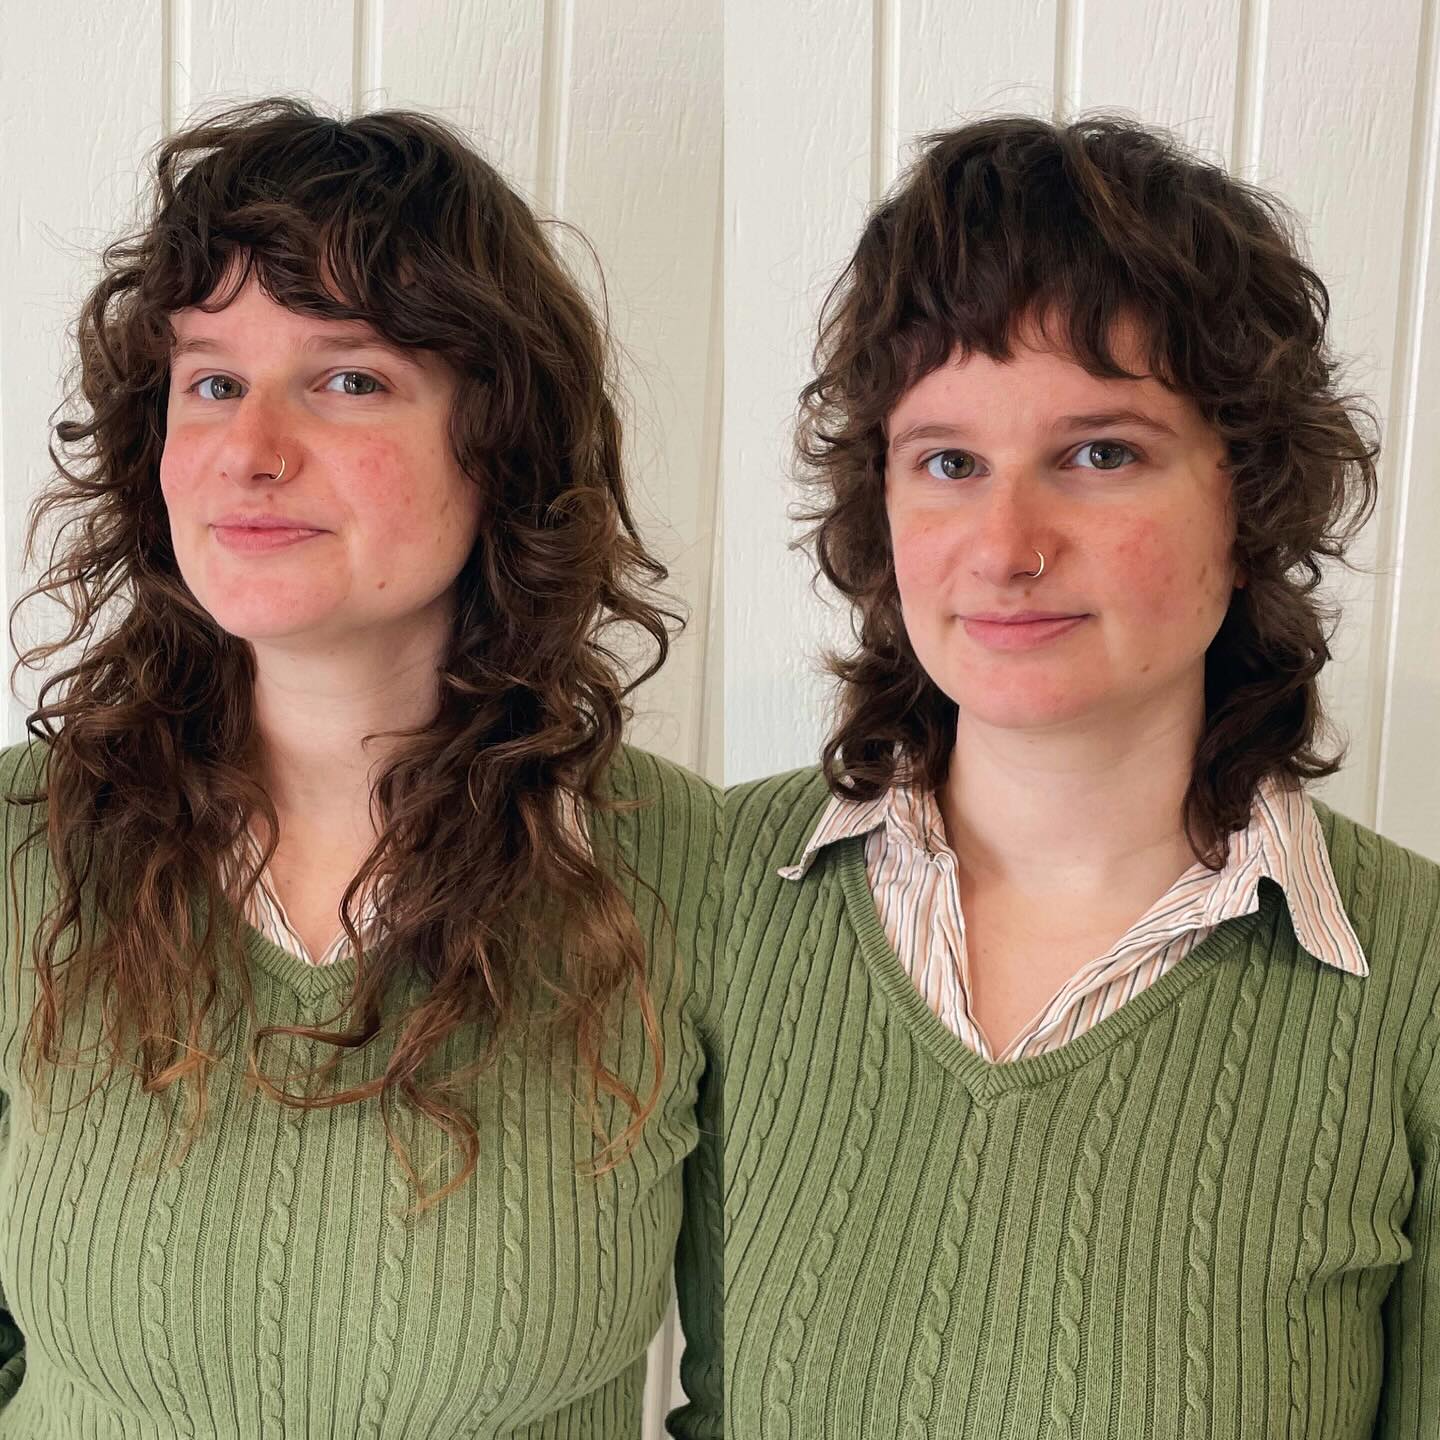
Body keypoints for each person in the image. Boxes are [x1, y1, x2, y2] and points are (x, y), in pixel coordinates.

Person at [0, 97, 720, 1438]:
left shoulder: (700, 877)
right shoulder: (19, 849)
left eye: (348, 380)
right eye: (212, 382)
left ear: (500, 441)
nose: (251, 452)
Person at [724, 112, 1439, 1437]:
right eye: (949, 463)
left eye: (1101, 454)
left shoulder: (1420, 982)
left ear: (1250, 495)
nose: (1007, 546)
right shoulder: (713, 892)